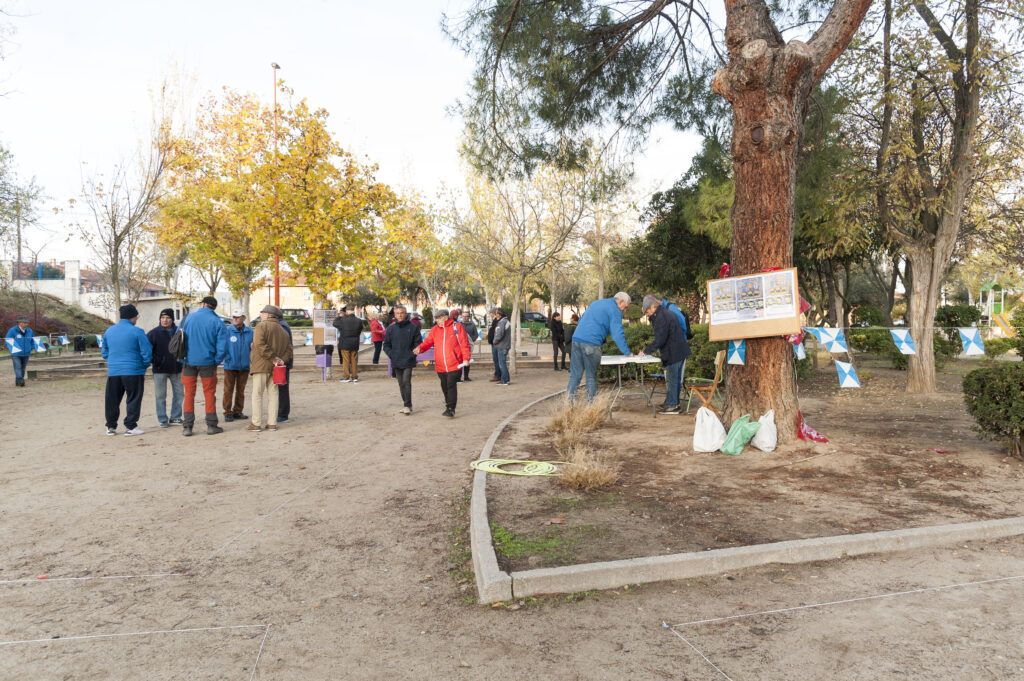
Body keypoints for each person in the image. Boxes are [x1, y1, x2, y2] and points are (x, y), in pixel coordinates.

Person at [567, 292, 632, 402]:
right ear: (620, 301)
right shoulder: (615, 310)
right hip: (591, 343)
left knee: (575, 375)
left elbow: (581, 320)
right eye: (625, 307)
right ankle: (591, 408)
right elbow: (617, 334)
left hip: (576, 339)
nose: (624, 310)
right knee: (591, 377)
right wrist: (627, 353)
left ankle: (568, 406)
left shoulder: (596, 303)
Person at [180, 295, 229, 436]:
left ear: (202, 304)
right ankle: (211, 426)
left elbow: (179, 337)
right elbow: (222, 347)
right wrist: (216, 360)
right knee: (209, 393)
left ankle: (187, 427)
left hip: (188, 361)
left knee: (189, 394)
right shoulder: (217, 322)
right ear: (213, 307)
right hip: (208, 363)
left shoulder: (187, 318)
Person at [101, 304, 152, 436]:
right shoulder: (137, 331)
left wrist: (112, 361)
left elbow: (104, 352)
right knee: (133, 398)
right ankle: (131, 426)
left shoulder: (109, 331)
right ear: (134, 317)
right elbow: (146, 351)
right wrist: (144, 365)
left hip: (114, 371)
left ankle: (111, 426)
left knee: (112, 399)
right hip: (133, 370)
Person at [639, 295, 689, 414]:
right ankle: (672, 402)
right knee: (675, 379)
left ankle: (673, 406)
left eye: (647, 311)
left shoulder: (661, 317)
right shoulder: (665, 313)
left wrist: (646, 351)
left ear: (653, 307)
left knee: (672, 379)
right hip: (679, 350)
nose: (647, 314)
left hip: (673, 352)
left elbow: (660, 338)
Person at [247, 305, 293, 432]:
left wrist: (273, 358)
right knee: (273, 394)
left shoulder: (261, 326)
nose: (260, 314)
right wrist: (280, 360)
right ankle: (272, 423)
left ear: (268, 315)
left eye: (262, 312)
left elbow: (260, 345)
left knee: (257, 394)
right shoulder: (283, 330)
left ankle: (256, 423)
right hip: (276, 367)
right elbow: (289, 350)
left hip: (261, 365)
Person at [415, 309, 467, 417]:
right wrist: (420, 348)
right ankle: (448, 405)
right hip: (440, 364)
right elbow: (428, 342)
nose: (437, 320)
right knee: (444, 385)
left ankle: (451, 408)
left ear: (445, 317)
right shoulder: (434, 330)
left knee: (451, 385)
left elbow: (464, 343)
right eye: (436, 319)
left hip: (454, 363)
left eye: (438, 318)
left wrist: (466, 358)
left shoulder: (457, 327)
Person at [146, 308, 183, 427]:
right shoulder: (153, 333)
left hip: (177, 369)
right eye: (162, 318)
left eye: (167, 318)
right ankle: (162, 419)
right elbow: (147, 351)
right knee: (160, 396)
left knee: (179, 394)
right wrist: (156, 361)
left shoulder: (179, 332)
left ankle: (175, 417)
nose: (165, 320)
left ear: (172, 319)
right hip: (159, 370)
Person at [382, 305, 420, 414]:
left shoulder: (413, 327)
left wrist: (411, 354)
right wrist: (391, 354)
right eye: (398, 313)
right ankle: (407, 403)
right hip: (396, 359)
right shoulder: (391, 328)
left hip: (408, 359)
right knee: (400, 383)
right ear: (394, 315)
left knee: (406, 381)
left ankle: (407, 405)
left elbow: (418, 343)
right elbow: (386, 345)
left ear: (406, 314)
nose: (400, 315)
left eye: (402, 312)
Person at [222, 310, 253, 422]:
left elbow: (253, 348)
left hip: (244, 366)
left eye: (238, 317)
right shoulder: (227, 331)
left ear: (243, 318)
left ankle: (238, 411)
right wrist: (227, 358)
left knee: (241, 390)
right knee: (228, 390)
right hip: (230, 366)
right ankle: (227, 412)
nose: (235, 319)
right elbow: (222, 346)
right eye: (234, 316)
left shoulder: (250, 332)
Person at [333, 305, 362, 383]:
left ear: (346, 312)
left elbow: (334, 323)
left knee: (346, 360)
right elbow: (360, 330)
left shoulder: (343, 320)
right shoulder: (359, 321)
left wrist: (340, 316)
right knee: (354, 360)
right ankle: (355, 376)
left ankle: (346, 377)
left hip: (345, 343)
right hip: (355, 343)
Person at [5, 314, 34, 387]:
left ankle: (18, 382)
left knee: (23, 368)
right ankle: (21, 380)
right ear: (19, 323)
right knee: (17, 367)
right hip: (16, 353)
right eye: (24, 323)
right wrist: (12, 348)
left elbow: (33, 340)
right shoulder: (12, 330)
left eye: (27, 323)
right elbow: (7, 340)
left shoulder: (30, 331)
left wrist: (31, 348)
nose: (26, 324)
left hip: (26, 353)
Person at [276, 315, 294, 423]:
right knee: (282, 388)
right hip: (282, 362)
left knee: (282, 389)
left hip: (281, 363)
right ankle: (282, 413)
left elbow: (285, 346)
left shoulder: (282, 327)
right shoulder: (283, 325)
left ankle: (282, 414)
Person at [491, 308, 511, 385]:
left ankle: (504, 380)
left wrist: (494, 342)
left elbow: (499, 335)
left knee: (502, 364)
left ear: (499, 314)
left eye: (496, 314)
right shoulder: (505, 321)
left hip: (502, 346)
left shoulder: (502, 322)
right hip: (504, 345)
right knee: (502, 363)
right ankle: (506, 379)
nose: (495, 315)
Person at [459, 310, 478, 381]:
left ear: (469, 317)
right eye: (463, 316)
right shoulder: (458, 324)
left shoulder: (472, 325)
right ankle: (458, 377)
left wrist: (469, 341)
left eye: (466, 316)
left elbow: (475, 335)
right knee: (459, 362)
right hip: (459, 346)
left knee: (467, 361)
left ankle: (466, 377)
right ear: (461, 316)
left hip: (468, 347)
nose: (465, 318)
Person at [486, 308, 501, 382]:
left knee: (496, 360)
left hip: (495, 344)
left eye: (490, 313)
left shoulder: (497, 321)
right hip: (494, 343)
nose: (490, 315)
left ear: (493, 313)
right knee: (496, 360)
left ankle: (497, 375)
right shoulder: (495, 321)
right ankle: (498, 374)